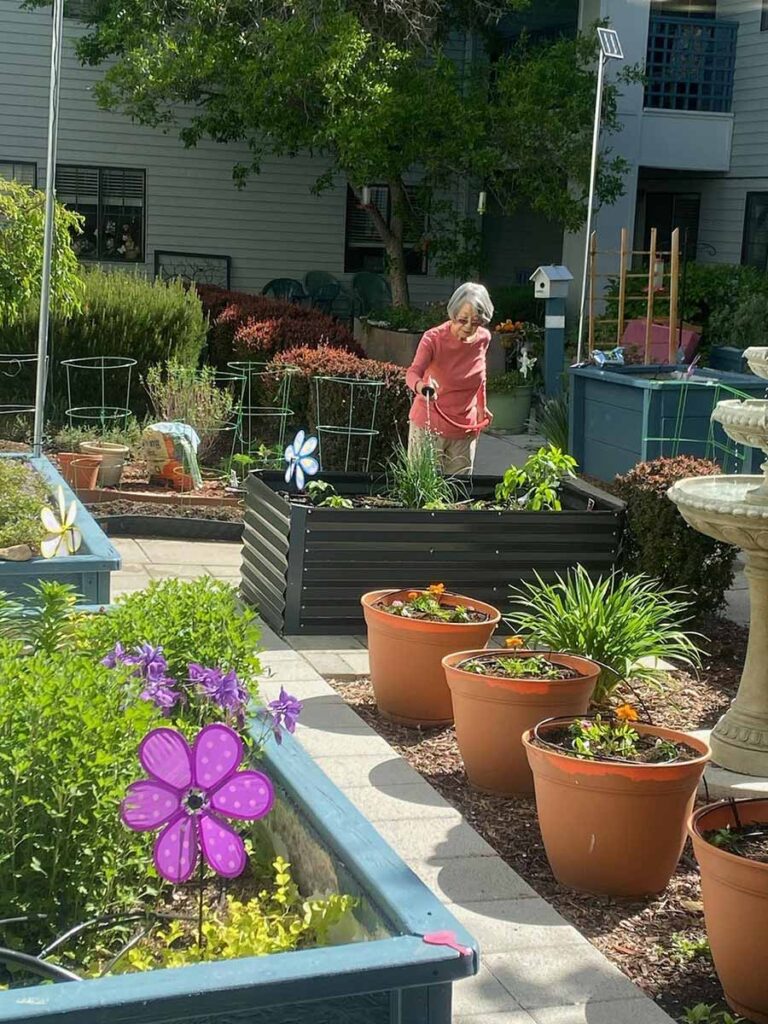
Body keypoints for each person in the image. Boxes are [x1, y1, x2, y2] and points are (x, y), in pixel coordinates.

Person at [405, 282, 494, 475]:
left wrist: (481, 406)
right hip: (428, 426)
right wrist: (423, 387)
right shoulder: (433, 339)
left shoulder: (483, 338)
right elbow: (412, 373)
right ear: (453, 315)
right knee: (423, 491)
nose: (469, 327)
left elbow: (480, 374)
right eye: (463, 320)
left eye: (476, 322)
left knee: (458, 495)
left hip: (464, 427)